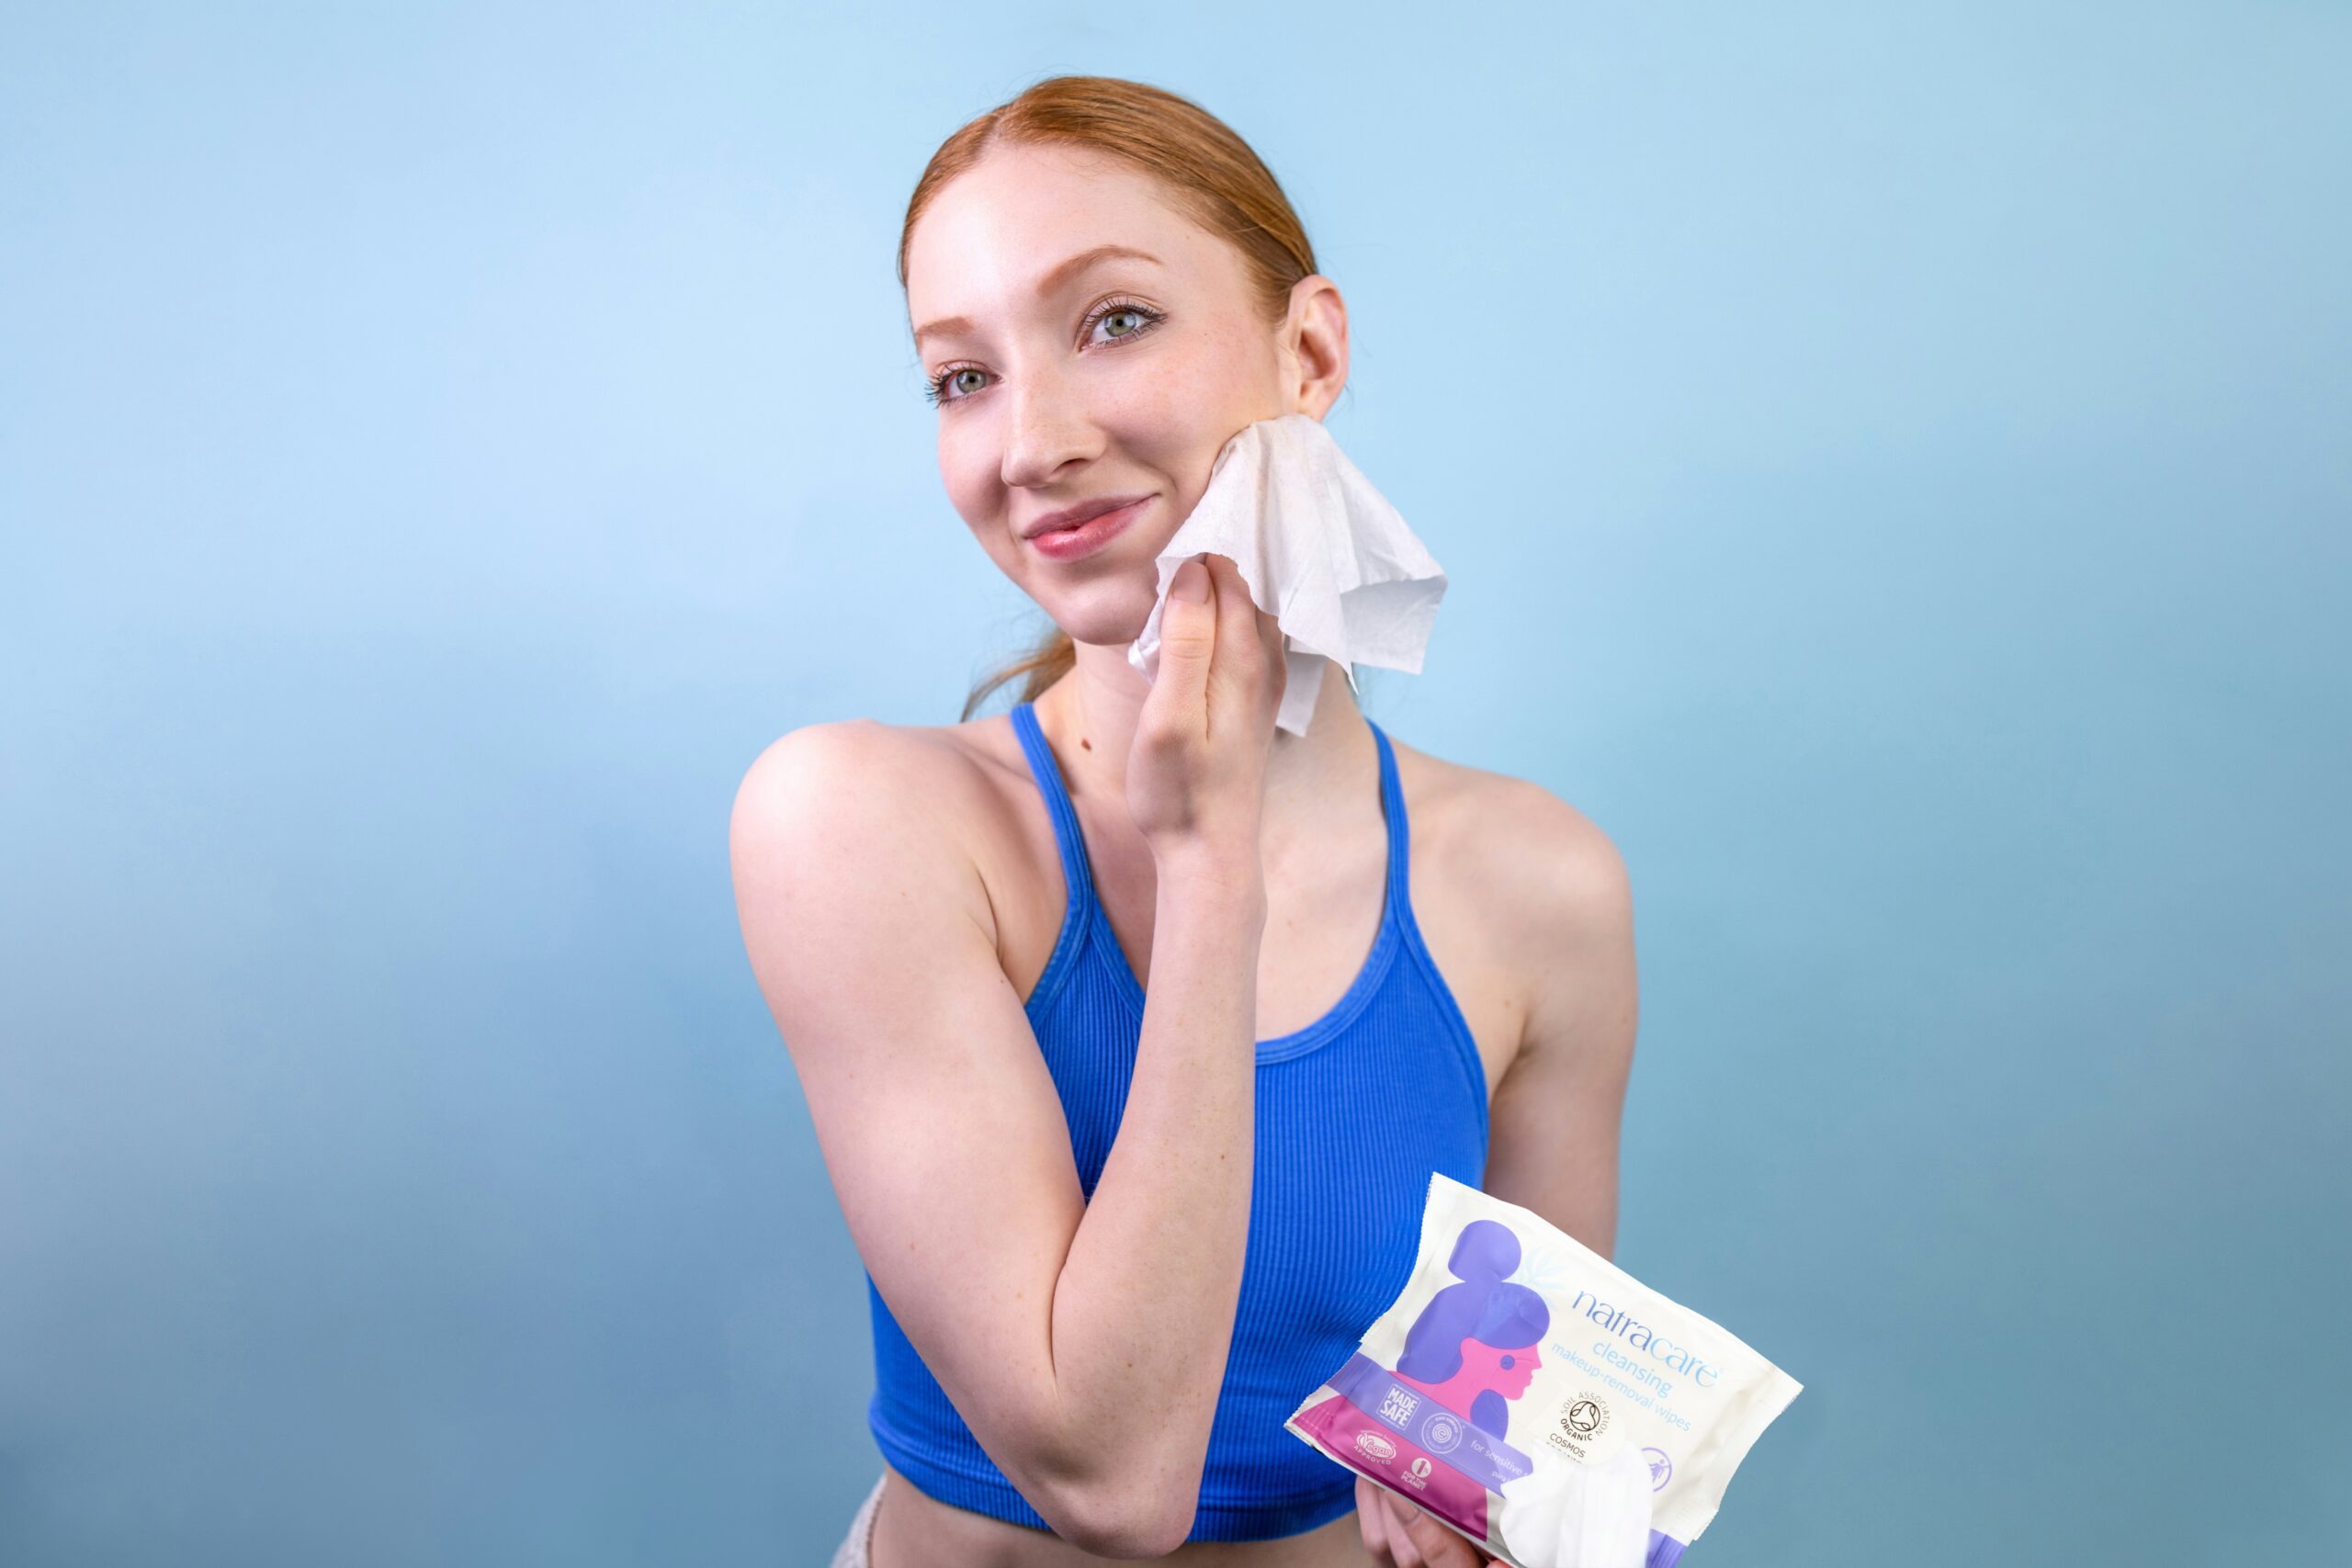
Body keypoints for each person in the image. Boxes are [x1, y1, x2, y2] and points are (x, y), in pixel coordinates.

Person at [728, 74, 1638, 1568]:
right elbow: (1111, 1481)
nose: (1031, 444)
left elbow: (1538, 1462)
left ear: (1312, 347)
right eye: (962, 377)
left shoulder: (1541, 889)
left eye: (1113, 321)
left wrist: (1490, 1500)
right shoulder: (864, 826)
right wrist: (1210, 867)